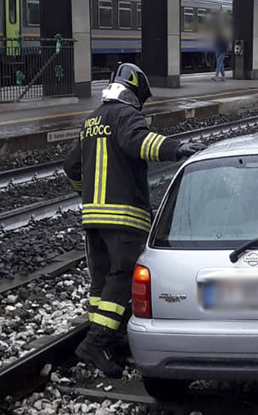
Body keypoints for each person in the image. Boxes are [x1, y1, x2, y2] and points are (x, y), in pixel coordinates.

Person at [63, 63, 205, 375]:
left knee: (101, 283)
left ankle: (110, 342)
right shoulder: (126, 115)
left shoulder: (90, 121)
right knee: (123, 277)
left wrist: (85, 195)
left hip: (93, 217)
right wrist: (176, 147)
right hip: (124, 215)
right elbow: (137, 142)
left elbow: (71, 166)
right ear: (135, 92)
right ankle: (94, 344)